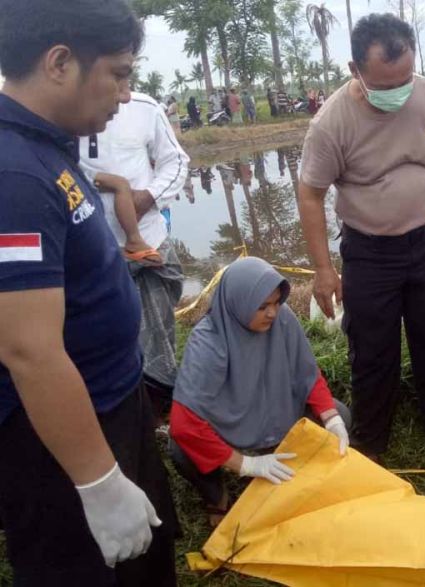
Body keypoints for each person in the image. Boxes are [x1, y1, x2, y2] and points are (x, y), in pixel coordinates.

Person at [0, 0, 178, 583]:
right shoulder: (15, 177)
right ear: (59, 63)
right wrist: (98, 482)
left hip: (112, 403)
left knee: (147, 560)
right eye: (120, 74)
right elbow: (29, 350)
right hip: (62, 442)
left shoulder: (48, 146)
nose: (126, 95)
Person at [298, 14, 425, 467]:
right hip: (369, 254)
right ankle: (371, 444)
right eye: (386, 84)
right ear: (356, 71)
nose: (399, 91)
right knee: (372, 352)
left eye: (405, 78)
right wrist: (324, 269)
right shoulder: (331, 123)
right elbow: (310, 195)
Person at [170, 257, 351, 526]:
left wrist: (331, 419)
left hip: (281, 415)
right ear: (238, 303)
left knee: (341, 414)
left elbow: (307, 374)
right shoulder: (207, 342)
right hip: (229, 427)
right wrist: (245, 465)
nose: (272, 313)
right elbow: (184, 423)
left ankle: (300, 478)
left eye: (277, 302)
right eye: (262, 306)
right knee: (181, 449)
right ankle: (217, 498)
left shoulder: (283, 320)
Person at [79, 89, 191, 426]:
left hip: (148, 242)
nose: (122, 89)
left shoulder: (142, 107)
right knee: (108, 337)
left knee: (158, 332)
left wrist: (148, 196)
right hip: (92, 253)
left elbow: (176, 161)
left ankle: (162, 412)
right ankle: (126, 415)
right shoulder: (64, 111)